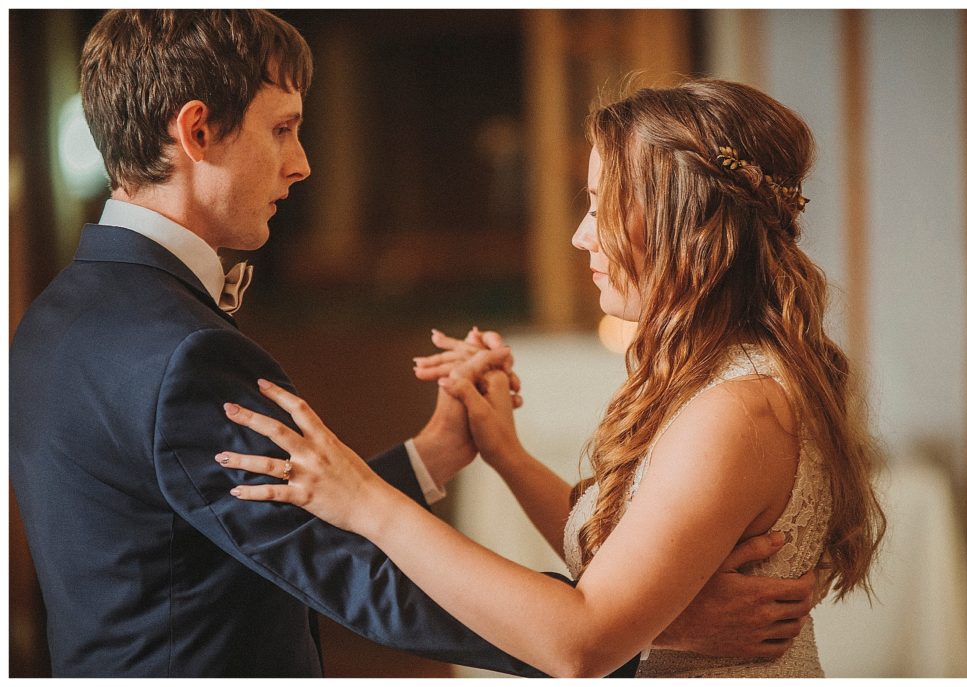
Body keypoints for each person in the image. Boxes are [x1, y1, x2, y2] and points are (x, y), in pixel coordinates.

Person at [9, 11, 814, 678]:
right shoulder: (179, 349)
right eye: (283, 128)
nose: (302, 162)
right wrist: (640, 626)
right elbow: (335, 563)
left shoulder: (55, 318)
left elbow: (245, 525)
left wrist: (437, 453)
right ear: (197, 131)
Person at [218, 79, 886, 677]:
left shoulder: (735, 410)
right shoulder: (721, 373)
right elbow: (612, 551)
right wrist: (503, 452)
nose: (579, 235)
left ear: (685, 220)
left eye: (601, 205)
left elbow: (580, 642)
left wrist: (365, 499)